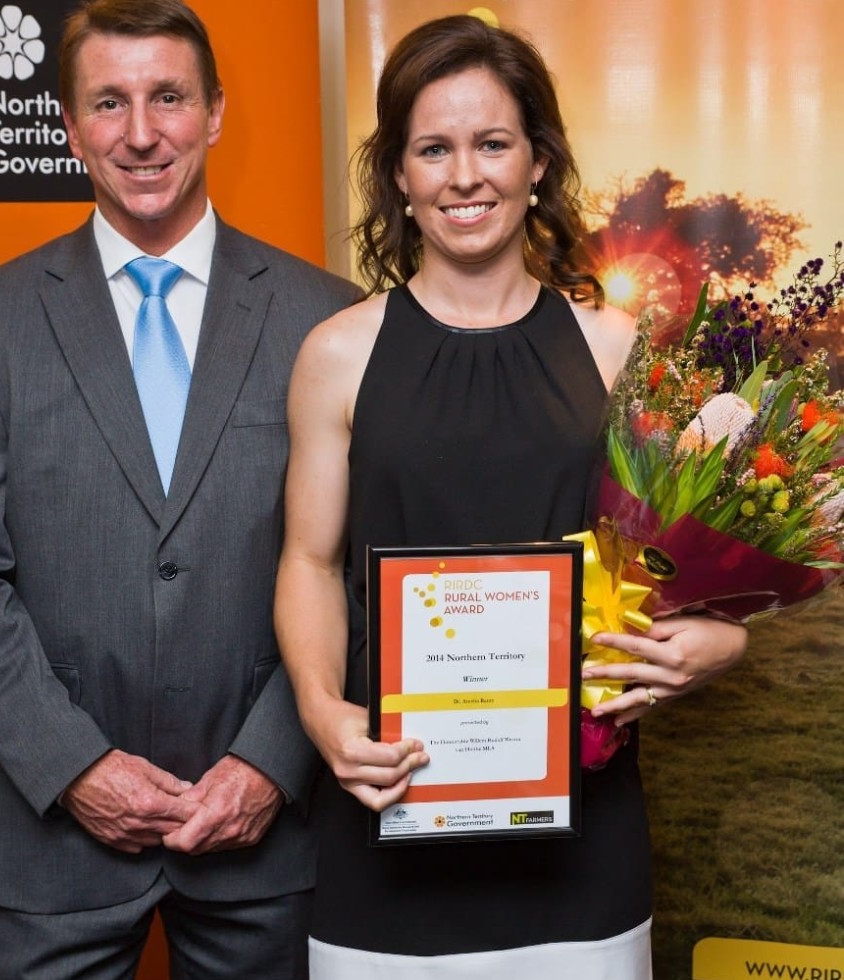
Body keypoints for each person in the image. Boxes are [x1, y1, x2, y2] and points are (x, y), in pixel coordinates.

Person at [274, 14, 747, 979]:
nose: (465, 176)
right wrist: (324, 713)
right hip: (386, 826)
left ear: (538, 161)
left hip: (584, 841)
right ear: (399, 176)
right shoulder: (336, 355)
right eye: (433, 149)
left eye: (493, 143)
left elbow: (683, 557)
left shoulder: (614, 346)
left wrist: (720, 640)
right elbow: (309, 562)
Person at [0, 1, 360, 976]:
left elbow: (353, 567)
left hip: (265, 840)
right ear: (69, 127)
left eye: (168, 96)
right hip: (54, 851)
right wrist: (72, 763)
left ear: (214, 113)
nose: (142, 131)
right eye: (108, 103)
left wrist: (271, 759)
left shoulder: (325, 319)